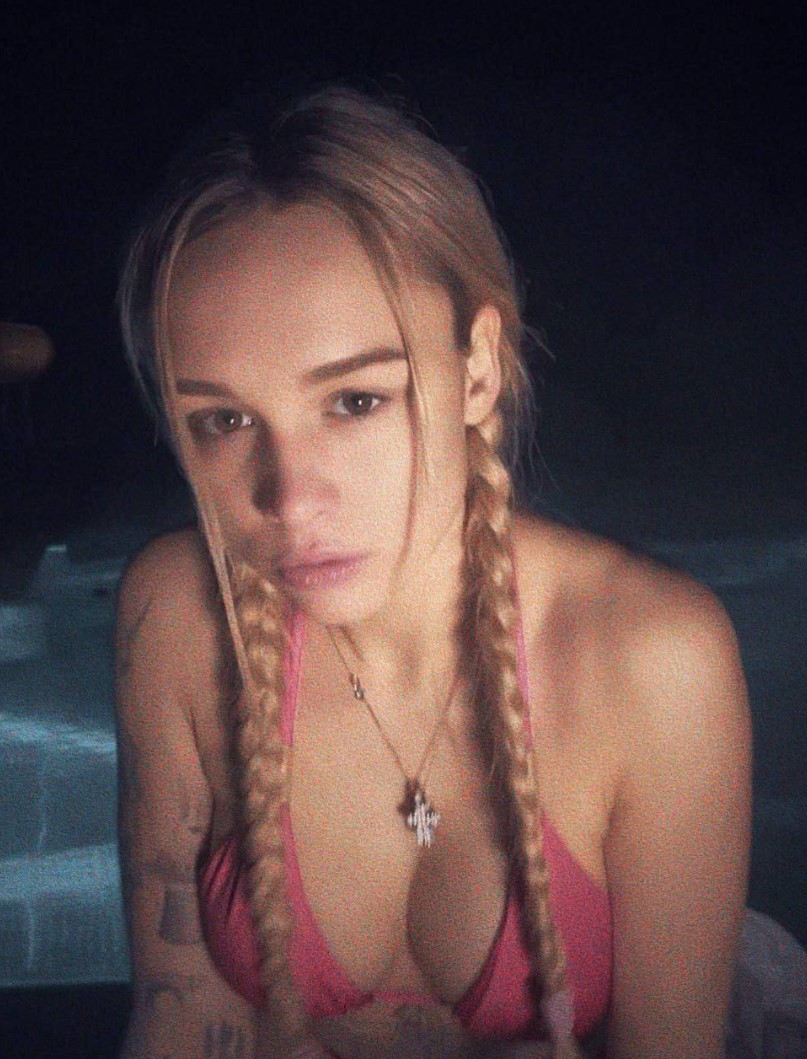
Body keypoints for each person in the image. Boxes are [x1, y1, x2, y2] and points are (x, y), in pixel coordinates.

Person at [114, 85, 751, 1059]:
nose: (290, 499)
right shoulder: (179, 618)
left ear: (479, 370)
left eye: (355, 402)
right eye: (225, 420)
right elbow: (177, 1015)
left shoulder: (654, 662)